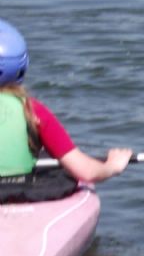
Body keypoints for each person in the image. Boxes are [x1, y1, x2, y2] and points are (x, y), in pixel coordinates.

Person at [0, 18, 132, 199]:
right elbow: (87, 172)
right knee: (61, 172)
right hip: (16, 191)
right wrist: (112, 166)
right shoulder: (32, 110)